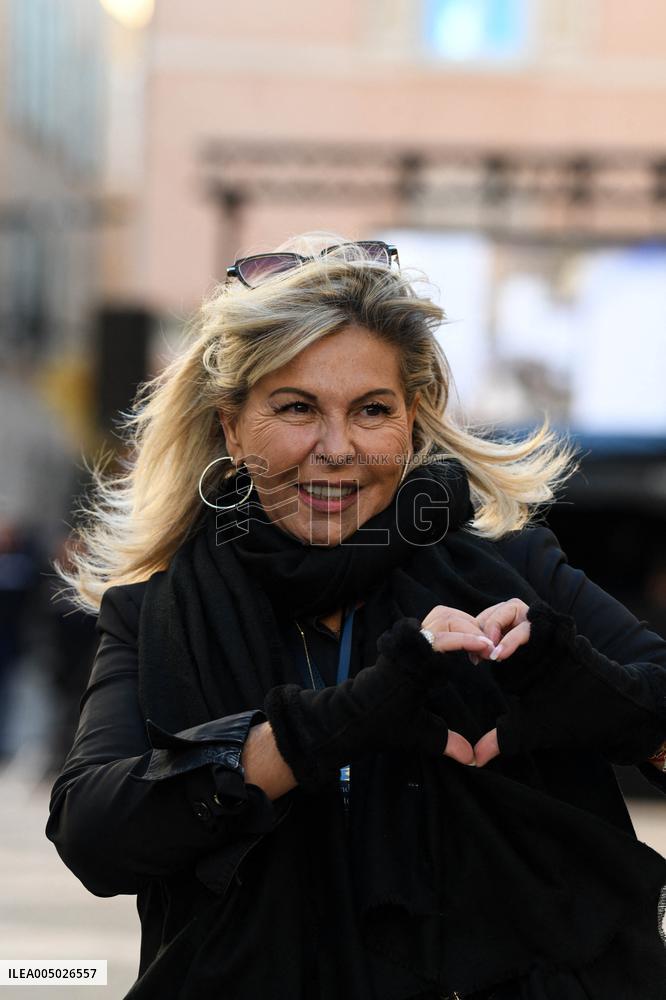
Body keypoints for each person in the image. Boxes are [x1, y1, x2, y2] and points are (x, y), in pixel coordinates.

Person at [46, 234, 666, 1000]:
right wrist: (326, 728)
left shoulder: (515, 570)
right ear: (233, 427)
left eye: (372, 410)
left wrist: (608, 700)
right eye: (297, 408)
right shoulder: (153, 615)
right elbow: (95, 835)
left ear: (413, 420)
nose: (336, 449)